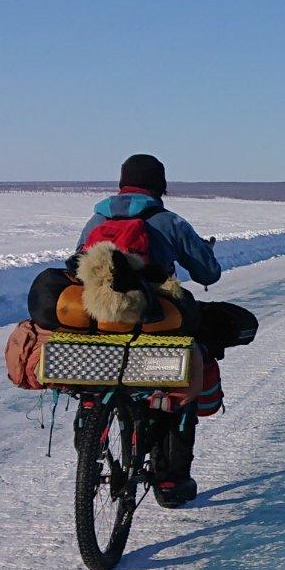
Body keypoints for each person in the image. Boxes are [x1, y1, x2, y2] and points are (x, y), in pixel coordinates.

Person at [74, 153, 226, 507]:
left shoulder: (96, 219)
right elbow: (209, 273)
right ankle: (170, 479)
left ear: (121, 183)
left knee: (95, 387)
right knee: (182, 380)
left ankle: (91, 434)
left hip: (102, 326)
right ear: (161, 186)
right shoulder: (168, 221)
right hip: (153, 324)